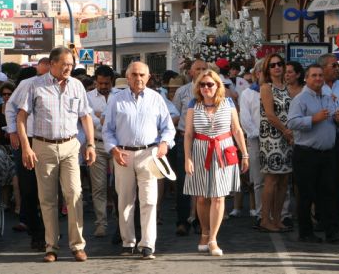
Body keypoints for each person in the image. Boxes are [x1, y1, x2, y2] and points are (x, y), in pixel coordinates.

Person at [16, 46, 97, 263]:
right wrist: (26, 146)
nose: (68, 68)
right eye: (64, 65)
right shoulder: (34, 85)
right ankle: (51, 246)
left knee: (74, 194)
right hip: (43, 146)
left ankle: (78, 245)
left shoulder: (77, 85)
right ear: (52, 64)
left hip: (70, 145)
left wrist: (90, 144)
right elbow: (21, 117)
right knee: (48, 199)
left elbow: (86, 117)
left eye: (71, 65)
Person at [102, 62, 175, 260]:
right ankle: (128, 242)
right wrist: (113, 149)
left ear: (149, 77)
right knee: (125, 200)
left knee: (149, 200)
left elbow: (168, 127)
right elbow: (107, 129)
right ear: (127, 77)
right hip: (123, 154)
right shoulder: (116, 100)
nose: (138, 78)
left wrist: (164, 144)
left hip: (149, 153)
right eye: (134, 74)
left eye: (142, 74)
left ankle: (147, 244)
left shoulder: (156, 99)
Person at [183, 69, 249, 256]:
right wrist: (187, 158)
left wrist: (244, 154)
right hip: (200, 151)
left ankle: (213, 238)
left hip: (223, 150)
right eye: (202, 85)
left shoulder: (228, 103)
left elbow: (237, 130)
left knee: (219, 197)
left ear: (218, 86)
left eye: (210, 84)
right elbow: (188, 134)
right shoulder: (193, 105)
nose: (205, 88)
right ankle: (204, 232)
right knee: (202, 197)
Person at [287, 64, 339, 243]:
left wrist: (338, 120)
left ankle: (331, 231)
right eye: (314, 76)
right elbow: (292, 122)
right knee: (306, 195)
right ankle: (305, 232)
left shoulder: (328, 98)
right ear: (306, 78)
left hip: (327, 154)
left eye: (320, 75)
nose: (318, 78)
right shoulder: (300, 99)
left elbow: (336, 122)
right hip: (306, 154)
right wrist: (313, 119)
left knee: (328, 193)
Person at [5, 66, 45, 250]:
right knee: (28, 189)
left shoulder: (66, 85)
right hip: (26, 139)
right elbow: (10, 108)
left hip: (50, 141)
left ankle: (48, 231)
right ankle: (36, 231)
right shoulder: (27, 84)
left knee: (50, 191)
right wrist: (13, 131)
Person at [173, 59, 208, 236]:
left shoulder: (212, 91)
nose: (201, 71)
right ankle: (183, 221)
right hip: (183, 140)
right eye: (198, 69)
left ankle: (202, 222)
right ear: (191, 72)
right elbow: (175, 115)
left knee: (203, 182)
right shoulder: (182, 91)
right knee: (183, 181)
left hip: (205, 140)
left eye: (204, 68)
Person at [258, 54, 292, 233]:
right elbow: (270, 115)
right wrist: (286, 131)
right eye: (273, 65)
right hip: (272, 137)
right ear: (267, 69)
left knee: (284, 179)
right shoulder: (266, 87)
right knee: (271, 179)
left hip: (287, 138)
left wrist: (290, 132)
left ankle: (277, 218)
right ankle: (265, 219)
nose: (277, 67)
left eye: (280, 64)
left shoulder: (286, 87)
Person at [319, 54, 339, 226]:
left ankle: (338, 215)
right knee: (323, 177)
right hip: (322, 134)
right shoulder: (316, 86)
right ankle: (322, 215)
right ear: (323, 68)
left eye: (337, 66)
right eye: (333, 66)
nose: (337, 69)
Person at [87, 65, 117, 238]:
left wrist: (100, 117)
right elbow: (88, 118)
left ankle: (121, 221)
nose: (104, 86)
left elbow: (117, 118)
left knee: (119, 185)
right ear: (95, 82)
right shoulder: (88, 97)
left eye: (106, 83)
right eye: (100, 83)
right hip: (97, 144)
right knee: (98, 187)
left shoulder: (119, 96)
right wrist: (102, 120)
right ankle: (101, 224)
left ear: (112, 82)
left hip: (115, 145)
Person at [239, 59, 264, 222]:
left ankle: (282, 213)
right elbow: (245, 119)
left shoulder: (279, 89)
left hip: (277, 139)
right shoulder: (248, 93)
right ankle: (262, 212)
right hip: (256, 140)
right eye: (261, 71)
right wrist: (257, 133)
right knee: (259, 179)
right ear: (256, 74)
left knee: (280, 179)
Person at [0, 81, 21, 216]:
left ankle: (18, 206)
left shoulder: (18, 108)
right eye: (4, 94)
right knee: (3, 175)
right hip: (1, 146)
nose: (6, 96)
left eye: (9, 94)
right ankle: (5, 202)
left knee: (16, 176)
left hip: (15, 145)